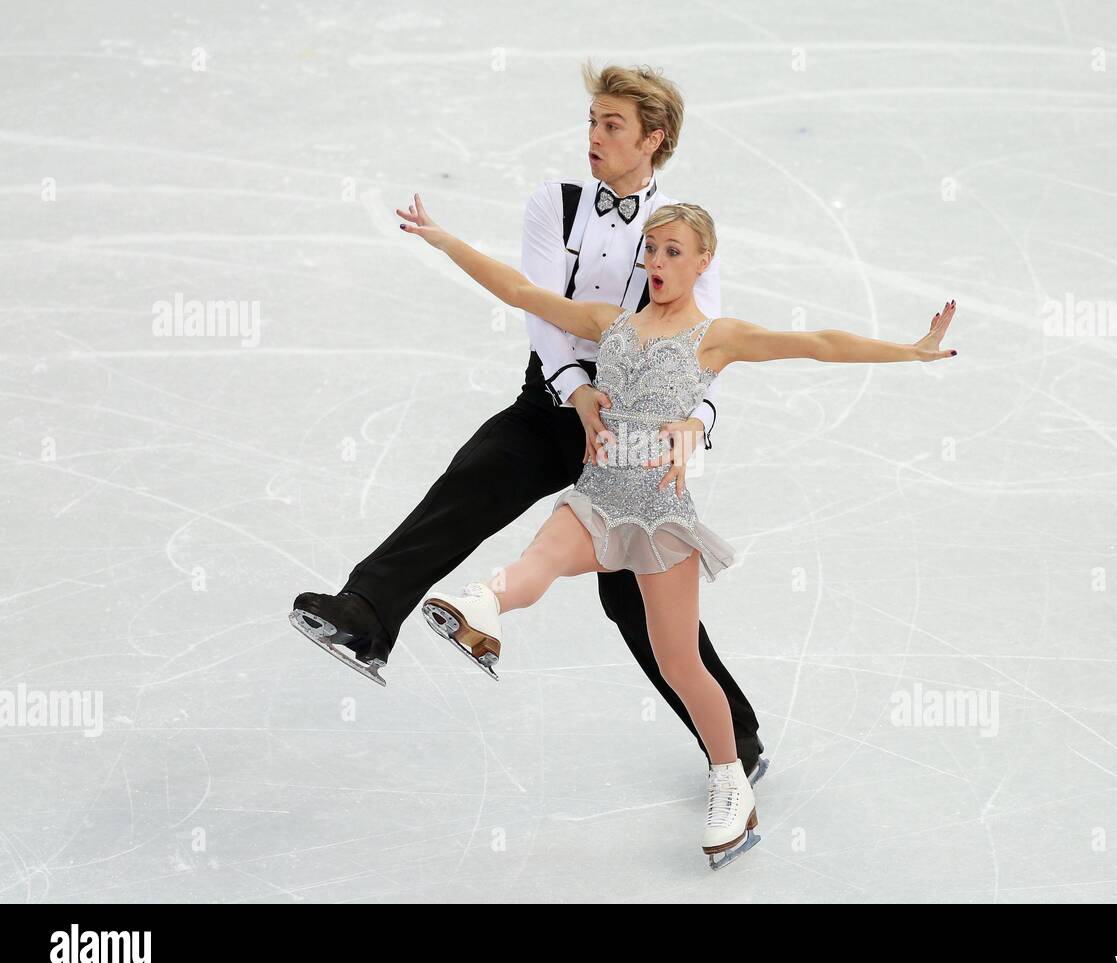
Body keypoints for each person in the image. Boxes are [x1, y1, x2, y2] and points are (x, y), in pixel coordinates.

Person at [399, 194, 960, 869]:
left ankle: (730, 780)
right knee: (540, 559)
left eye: (671, 252)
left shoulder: (716, 336)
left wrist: (910, 349)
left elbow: (817, 345)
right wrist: (443, 240)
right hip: (599, 497)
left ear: (702, 263)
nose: (656, 262)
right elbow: (519, 289)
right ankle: (479, 608)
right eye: (652, 250)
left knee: (680, 663)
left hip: (662, 517)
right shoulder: (610, 323)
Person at [288, 62, 769, 785]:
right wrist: (574, 390)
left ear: (653, 138)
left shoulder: (681, 234)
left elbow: (708, 346)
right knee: (473, 480)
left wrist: (694, 421)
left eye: (612, 125)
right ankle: (365, 617)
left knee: (636, 601)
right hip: (553, 402)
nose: (594, 136)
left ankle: (738, 742)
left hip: (634, 430)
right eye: (592, 121)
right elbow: (539, 305)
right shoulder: (558, 203)